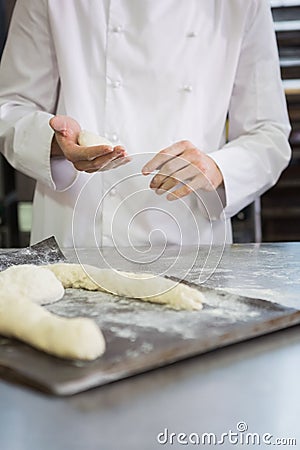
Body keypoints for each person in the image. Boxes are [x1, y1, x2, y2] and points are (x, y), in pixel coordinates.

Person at [0, 0, 291, 249]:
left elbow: (269, 134)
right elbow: (10, 108)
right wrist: (55, 143)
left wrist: (216, 169)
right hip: (80, 236)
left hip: (190, 240)